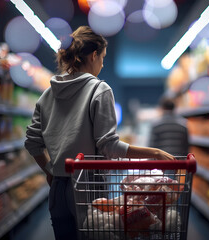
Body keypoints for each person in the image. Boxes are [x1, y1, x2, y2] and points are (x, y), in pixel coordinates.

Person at [24, 26, 175, 240]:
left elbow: (32, 143)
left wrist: (50, 171)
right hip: (88, 187)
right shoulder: (99, 89)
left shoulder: (47, 95)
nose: (103, 64)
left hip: (57, 189)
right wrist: (155, 154)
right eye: (102, 57)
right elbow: (109, 146)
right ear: (94, 55)